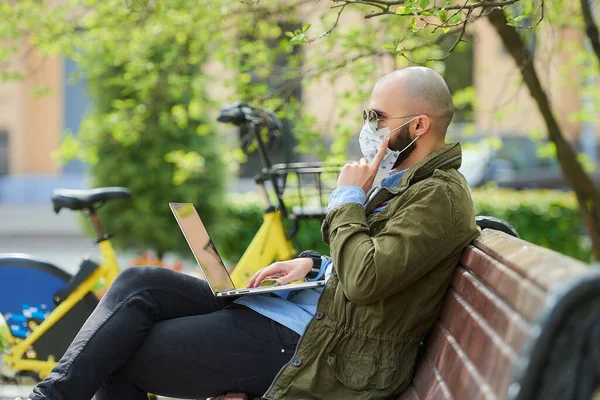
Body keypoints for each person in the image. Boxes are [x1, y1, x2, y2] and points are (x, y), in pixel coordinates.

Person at [21, 66, 479, 400]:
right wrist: (315, 265)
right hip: (308, 316)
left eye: (377, 117)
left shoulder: (439, 196)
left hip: (323, 348)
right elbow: (373, 266)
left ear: (418, 125)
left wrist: (347, 199)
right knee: (139, 285)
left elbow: (366, 279)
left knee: (119, 350)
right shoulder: (406, 184)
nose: (368, 127)